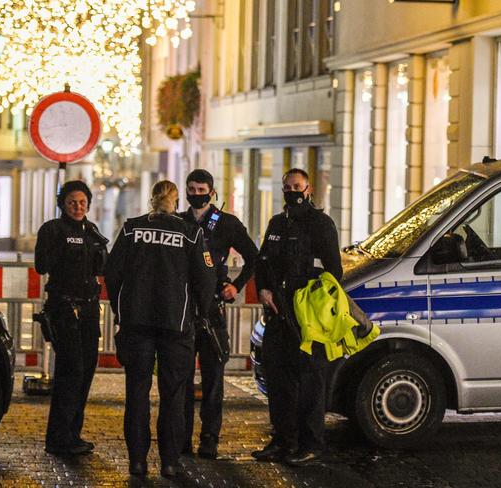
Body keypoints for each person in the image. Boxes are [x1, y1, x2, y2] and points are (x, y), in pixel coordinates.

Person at [104, 180, 216, 479]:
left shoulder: (131, 229)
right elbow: (206, 280)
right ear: (176, 201)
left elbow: (112, 273)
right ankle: (169, 462)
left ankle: (137, 463)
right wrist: (200, 314)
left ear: (151, 198)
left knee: (137, 394)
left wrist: (121, 310)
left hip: (136, 324)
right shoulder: (190, 233)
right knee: (173, 396)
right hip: (175, 326)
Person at [252, 168, 342, 466]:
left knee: (310, 382)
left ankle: (311, 444)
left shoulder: (321, 224)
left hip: (308, 318)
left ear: (309, 188)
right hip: (277, 313)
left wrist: (312, 301)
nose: (292, 192)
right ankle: (282, 440)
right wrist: (263, 290)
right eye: (287, 187)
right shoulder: (277, 223)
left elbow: (334, 272)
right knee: (279, 380)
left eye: (297, 186)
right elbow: (262, 262)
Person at [178, 169, 258, 460]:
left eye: (201, 190)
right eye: (192, 189)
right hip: (184, 312)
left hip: (212, 311)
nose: (196, 194)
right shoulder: (179, 222)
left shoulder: (227, 224)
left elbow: (254, 257)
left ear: (212, 192)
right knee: (180, 380)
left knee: (213, 380)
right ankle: (181, 438)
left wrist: (235, 286)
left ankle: (209, 438)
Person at [34, 180, 108, 456]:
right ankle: (58, 437)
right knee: (71, 371)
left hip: (89, 309)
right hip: (64, 309)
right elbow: (41, 265)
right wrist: (62, 248)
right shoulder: (53, 230)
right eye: (72, 202)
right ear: (62, 205)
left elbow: (104, 267)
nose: (78, 207)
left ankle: (73, 434)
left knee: (86, 370)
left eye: (82, 202)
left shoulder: (92, 231)